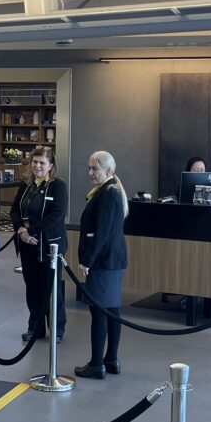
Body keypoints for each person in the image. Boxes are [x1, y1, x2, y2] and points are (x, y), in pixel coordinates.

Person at [74, 150, 129, 380]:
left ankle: (97, 364)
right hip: (112, 260)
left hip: (104, 261)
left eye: (95, 168)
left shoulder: (108, 193)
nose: (90, 172)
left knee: (100, 313)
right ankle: (110, 360)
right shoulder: (111, 190)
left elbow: (102, 232)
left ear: (108, 170)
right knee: (112, 311)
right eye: (89, 167)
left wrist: (88, 259)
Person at [13, 147, 68, 344]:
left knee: (51, 289)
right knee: (33, 288)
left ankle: (57, 328)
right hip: (28, 246)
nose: (37, 166)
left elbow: (56, 216)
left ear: (50, 166)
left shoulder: (58, 186)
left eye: (42, 163)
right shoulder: (26, 185)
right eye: (35, 162)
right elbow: (14, 211)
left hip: (49, 247)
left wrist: (31, 231)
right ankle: (35, 328)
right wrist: (21, 230)